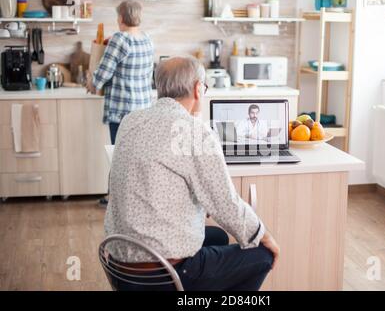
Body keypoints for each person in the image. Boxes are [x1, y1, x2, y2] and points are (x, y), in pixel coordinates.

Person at [104, 56, 280, 291]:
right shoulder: (195, 131)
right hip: (162, 273)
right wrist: (266, 236)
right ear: (198, 89)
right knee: (262, 255)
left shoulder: (130, 121)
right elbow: (226, 204)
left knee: (216, 236)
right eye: (204, 88)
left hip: (120, 263)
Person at [87, 0, 154, 145]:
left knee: (119, 158)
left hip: (123, 111)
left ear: (121, 18)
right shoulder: (147, 39)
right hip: (144, 109)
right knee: (138, 157)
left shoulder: (120, 38)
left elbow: (104, 71)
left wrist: (92, 84)